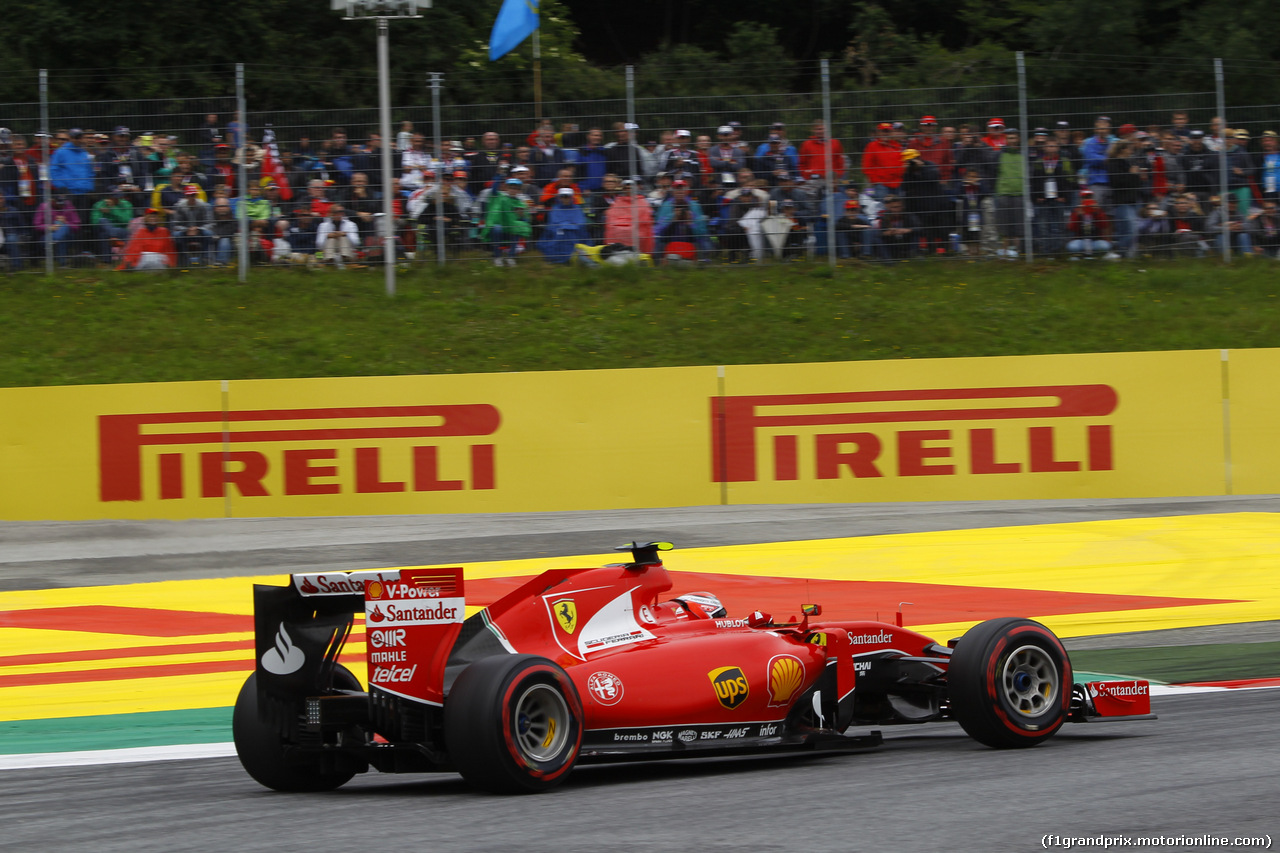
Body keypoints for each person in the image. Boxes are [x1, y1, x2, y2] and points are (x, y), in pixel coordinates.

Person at [1030, 140, 1073, 256]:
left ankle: (1057, 251)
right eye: (1049, 145)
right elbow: (1034, 181)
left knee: (1057, 225)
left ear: (1058, 147)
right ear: (1044, 147)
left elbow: (1069, 180)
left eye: (1053, 145)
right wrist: (1037, 196)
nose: (1051, 147)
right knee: (1043, 225)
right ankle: (1046, 251)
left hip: (1058, 198)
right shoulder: (1038, 162)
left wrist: (1064, 196)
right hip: (1043, 199)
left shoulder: (1063, 161)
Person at [655, 179, 711, 261]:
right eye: (677, 189)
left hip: (691, 240)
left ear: (687, 191)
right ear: (673, 192)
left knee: (704, 239)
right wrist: (673, 218)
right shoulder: (666, 205)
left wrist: (690, 222)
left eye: (682, 189)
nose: (680, 191)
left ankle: (701, 260)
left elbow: (702, 231)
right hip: (670, 239)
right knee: (658, 240)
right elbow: (658, 229)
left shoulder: (694, 206)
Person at [481, 178, 532, 266]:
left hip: (511, 230)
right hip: (499, 229)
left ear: (519, 190)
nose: (513, 190)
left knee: (518, 227)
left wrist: (522, 216)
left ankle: (511, 256)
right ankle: (497, 256)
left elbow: (526, 221)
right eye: (511, 187)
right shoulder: (499, 197)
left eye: (516, 188)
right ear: (506, 188)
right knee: (497, 228)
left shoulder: (521, 204)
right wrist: (499, 175)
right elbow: (493, 191)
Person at [603, 178, 654, 255]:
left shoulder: (642, 201)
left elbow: (645, 218)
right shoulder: (618, 201)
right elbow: (612, 216)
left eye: (630, 187)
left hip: (636, 229)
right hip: (620, 229)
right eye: (626, 188)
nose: (628, 189)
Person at [539, 187, 589, 264]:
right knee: (561, 232)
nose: (565, 199)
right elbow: (553, 223)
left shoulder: (577, 208)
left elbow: (580, 223)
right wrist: (567, 225)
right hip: (559, 233)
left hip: (575, 234)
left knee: (569, 232)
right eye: (563, 196)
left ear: (571, 197)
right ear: (559, 197)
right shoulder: (555, 209)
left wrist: (566, 225)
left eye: (567, 196)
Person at [1066, 189, 1118, 259]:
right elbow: (1071, 228)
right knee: (1072, 247)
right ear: (1081, 200)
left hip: (1095, 241)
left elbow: (1104, 225)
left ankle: (1092, 254)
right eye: (1085, 198)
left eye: (1089, 197)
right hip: (1081, 240)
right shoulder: (1076, 211)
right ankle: (1082, 254)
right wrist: (1078, 216)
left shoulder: (1098, 210)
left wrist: (1097, 213)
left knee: (1104, 246)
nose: (1087, 199)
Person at [34, 193, 82, 265]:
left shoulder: (69, 207)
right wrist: (50, 227)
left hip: (66, 237)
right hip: (46, 236)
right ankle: (62, 263)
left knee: (64, 227)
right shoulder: (44, 207)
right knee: (61, 234)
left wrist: (66, 222)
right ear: (52, 200)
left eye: (63, 203)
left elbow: (77, 226)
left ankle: (55, 239)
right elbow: (37, 225)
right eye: (58, 203)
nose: (61, 205)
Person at [872, 195, 919, 261]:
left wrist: (907, 230)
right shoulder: (885, 216)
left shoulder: (908, 215)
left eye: (898, 207)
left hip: (906, 240)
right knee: (878, 238)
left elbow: (919, 228)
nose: (896, 210)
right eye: (893, 207)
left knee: (915, 233)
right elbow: (880, 233)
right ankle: (887, 260)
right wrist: (887, 233)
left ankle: (914, 256)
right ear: (890, 208)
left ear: (902, 206)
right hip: (892, 242)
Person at [315, 203, 360, 268]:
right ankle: (330, 259)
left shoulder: (351, 224)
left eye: (342, 211)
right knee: (331, 239)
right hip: (327, 252)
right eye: (338, 212)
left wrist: (346, 234)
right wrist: (327, 236)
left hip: (349, 251)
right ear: (331, 214)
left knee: (343, 238)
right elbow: (319, 245)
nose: (341, 214)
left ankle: (345, 258)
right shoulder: (323, 225)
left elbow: (356, 243)